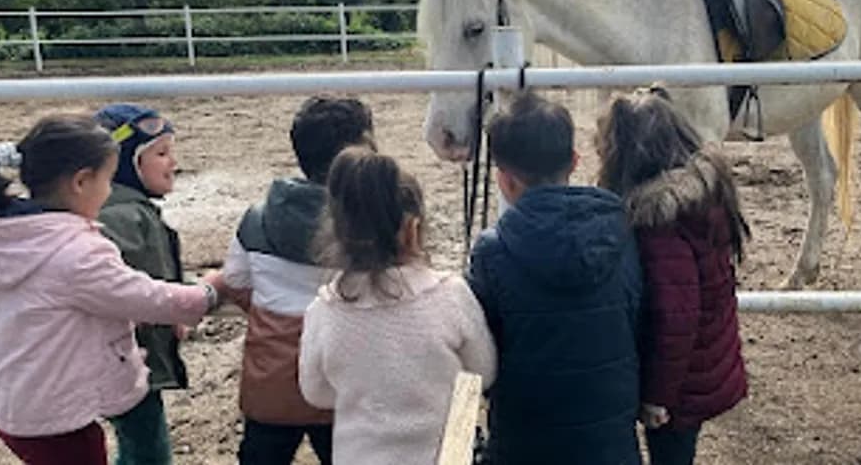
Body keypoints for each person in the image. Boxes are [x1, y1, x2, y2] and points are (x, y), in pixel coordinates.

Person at [0, 114, 222, 465]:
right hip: (59, 420)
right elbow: (145, 297)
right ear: (81, 182)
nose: (110, 191)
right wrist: (209, 292)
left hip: (21, 402)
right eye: (107, 180)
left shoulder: (10, 238)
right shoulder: (77, 253)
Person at [466, 90, 642, 465]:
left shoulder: (492, 252)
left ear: (504, 181)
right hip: (610, 443)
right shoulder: (622, 231)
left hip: (524, 441)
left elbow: (483, 350)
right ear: (575, 162)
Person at [299, 148, 497, 465]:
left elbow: (315, 392)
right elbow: (483, 373)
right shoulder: (450, 295)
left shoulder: (323, 311)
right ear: (412, 230)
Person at [595, 86, 750, 465]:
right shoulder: (705, 195)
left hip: (678, 385)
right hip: (702, 363)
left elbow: (674, 321)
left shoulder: (661, 224)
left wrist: (657, 397)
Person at [220, 96, 376, 464]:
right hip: (344, 375)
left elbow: (236, 280)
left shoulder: (258, 219)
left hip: (273, 377)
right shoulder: (369, 223)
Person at [92, 103, 193, 465]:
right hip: (129, 357)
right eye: (161, 154)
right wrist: (176, 308)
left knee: (139, 442)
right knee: (147, 448)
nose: (173, 163)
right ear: (125, 164)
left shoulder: (127, 209)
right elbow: (129, 288)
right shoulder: (123, 217)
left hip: (128, 353)